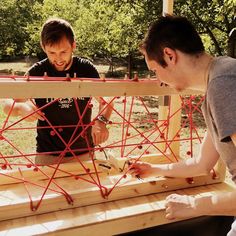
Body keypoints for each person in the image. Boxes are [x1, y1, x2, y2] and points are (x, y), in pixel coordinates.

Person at [129, 15, 236, 235]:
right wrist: (154, 170)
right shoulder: (221, 76)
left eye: (154, 70)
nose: (158, 80)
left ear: (169, 55)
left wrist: (195, 205)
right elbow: (201, 163)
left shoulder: (223, 85)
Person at [4, 18, 113, 165]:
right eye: (52, 52)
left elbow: (106, 100)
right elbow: (7, 104)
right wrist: (21, 107)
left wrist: (101, 121)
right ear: (44, 48)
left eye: (63, 51)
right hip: (48, 154)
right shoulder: (37, 71)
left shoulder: (86, 69)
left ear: (73, 45)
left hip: (84, 152)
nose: (58, 58)